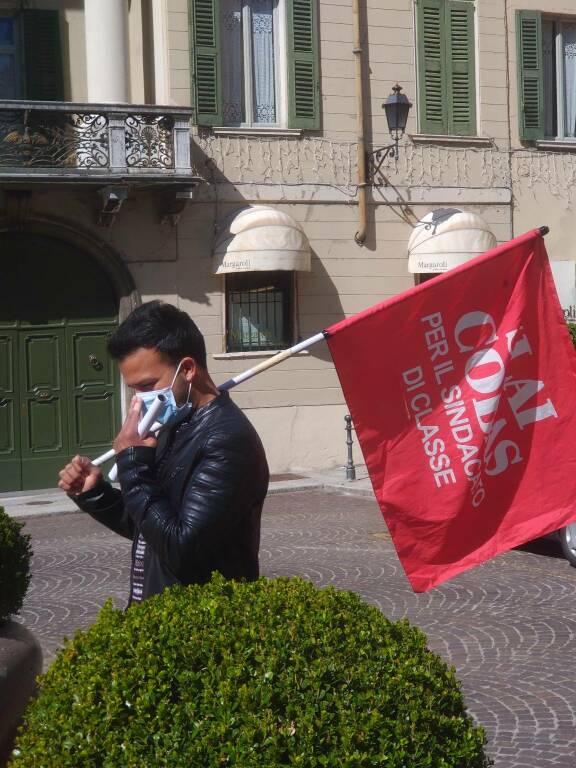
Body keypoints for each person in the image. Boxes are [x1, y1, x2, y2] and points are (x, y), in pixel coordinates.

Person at [58, 301, 269, 604]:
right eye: (133, 389)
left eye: (147, 386)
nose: (139, 400)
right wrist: (96, 493)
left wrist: (132, 465)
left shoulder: (227, 440)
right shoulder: (175, 424)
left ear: (187, 369)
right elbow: (151, 528)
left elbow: (181, 548)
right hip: (156, 615)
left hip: (197, 625)